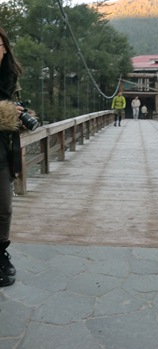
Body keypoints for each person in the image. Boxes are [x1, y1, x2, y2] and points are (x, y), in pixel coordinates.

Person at [0, 27, 24, 287]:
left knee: (4, 209)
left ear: (5, 48)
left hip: (2, 153)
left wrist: (22, 118)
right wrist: (6, 114)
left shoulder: (10, 79)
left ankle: (0, 254)